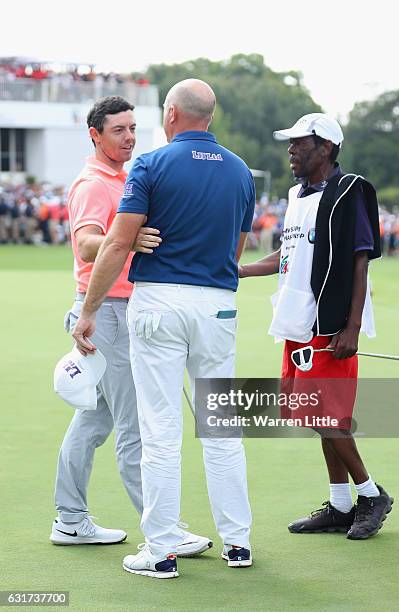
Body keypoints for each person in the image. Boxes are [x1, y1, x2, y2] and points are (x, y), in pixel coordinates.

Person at [72, 79, 254, 579]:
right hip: (217, 304)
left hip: (159, 304)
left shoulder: (150, 165)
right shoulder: (240, 171)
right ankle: (238, 544)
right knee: (222, 430)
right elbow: (235, 251)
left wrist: (87, 310)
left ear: (171, 114)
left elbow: (115, 245)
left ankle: (162, 551)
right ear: (209, 118)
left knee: (159, 431)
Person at [51, 95, 212, 557]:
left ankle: (70, 518)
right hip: (108, 312)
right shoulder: (93, 183)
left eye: (133, 128)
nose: (129, 137)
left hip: (113, 309)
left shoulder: (122, 177)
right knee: (132, 427)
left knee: (93, 420)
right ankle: (164, 532)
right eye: (118, 130)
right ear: (95, 135)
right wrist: (128, 238)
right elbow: (85, 246)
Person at [239, 113, 393, 540]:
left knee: (326, 415)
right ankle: (342, 505)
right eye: (289, 143)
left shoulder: (351, 191)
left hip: (330, 324)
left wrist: (353, 326)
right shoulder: (295, 195)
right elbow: (287, 257)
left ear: (325, 147)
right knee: (311, 411)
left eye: (299, 143)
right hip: (296, 320)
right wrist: (241, 270)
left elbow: (361, 260)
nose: (290, 150)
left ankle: (370, 494)